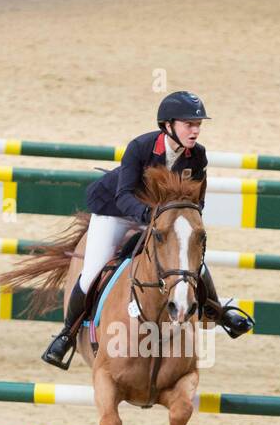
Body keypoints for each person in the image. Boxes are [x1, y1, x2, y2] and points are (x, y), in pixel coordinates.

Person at [41, 91, 254, 368]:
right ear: (168, 125)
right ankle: (67, 335)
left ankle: (219, 312)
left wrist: (185, 225)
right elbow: (123, 194)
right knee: (92, 272)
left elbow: (196, 201)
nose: (195, 130)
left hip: (162, 219)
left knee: (191, 266)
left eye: (198, 124)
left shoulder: (197, 156)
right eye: (189, 124)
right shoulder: (140, 148)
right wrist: (147, 215)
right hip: (116, 213)